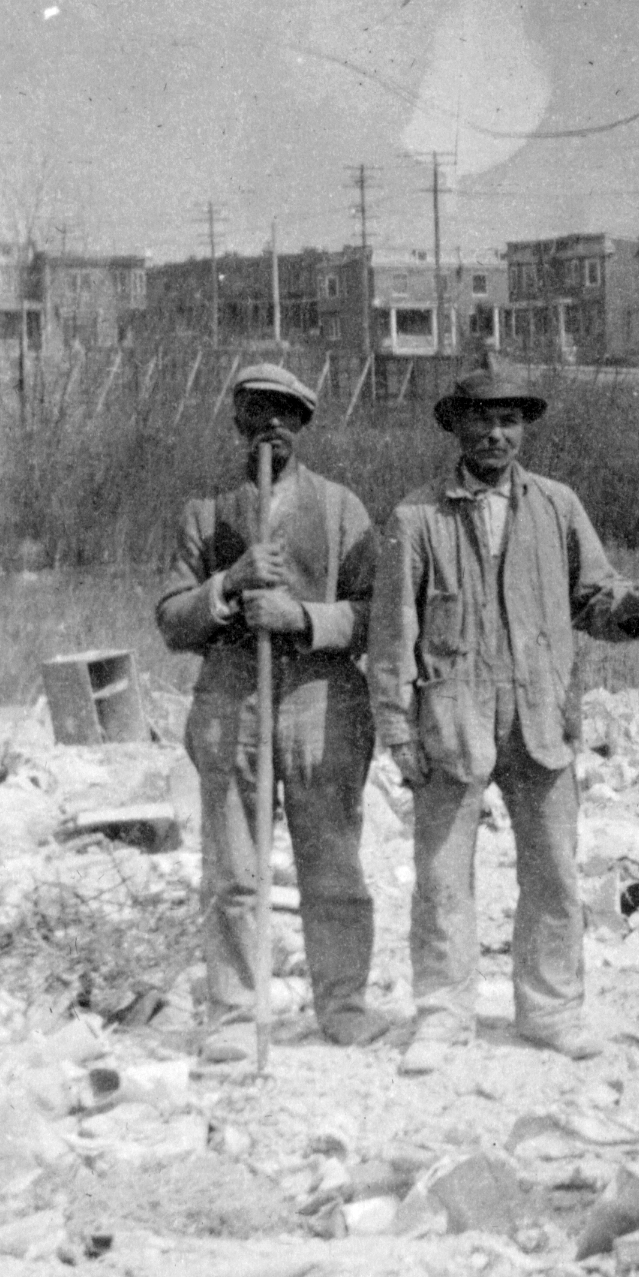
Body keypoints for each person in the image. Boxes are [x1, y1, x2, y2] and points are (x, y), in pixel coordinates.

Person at [367, 371, 639, 1075]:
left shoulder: (557, 507)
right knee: (442, 878)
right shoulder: (418, 520)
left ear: (524, 429)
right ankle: (442, 1014)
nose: (496, 435)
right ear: (457, 429)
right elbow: (390, 635)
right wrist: (396, 729)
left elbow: (592, 597)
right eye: (481, 422)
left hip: (541, 718)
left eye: (509, 421)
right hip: (450, 721)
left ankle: (551, 1010)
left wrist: (627, 606)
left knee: (556, 873)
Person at [155, 363, 383, 1059]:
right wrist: (229, 583)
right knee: (234, 871)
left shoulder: (343, 509)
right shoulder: (206, 512)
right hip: (231, 699)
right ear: (237, 420)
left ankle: (342, 1006)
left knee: (333, 867)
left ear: (304, 425)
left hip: (321, 700)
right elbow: (170, 619)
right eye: (257, 411)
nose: (271, 425)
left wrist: (303, 616)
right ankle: (233, 1014)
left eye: (285, 413)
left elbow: (379, 615)